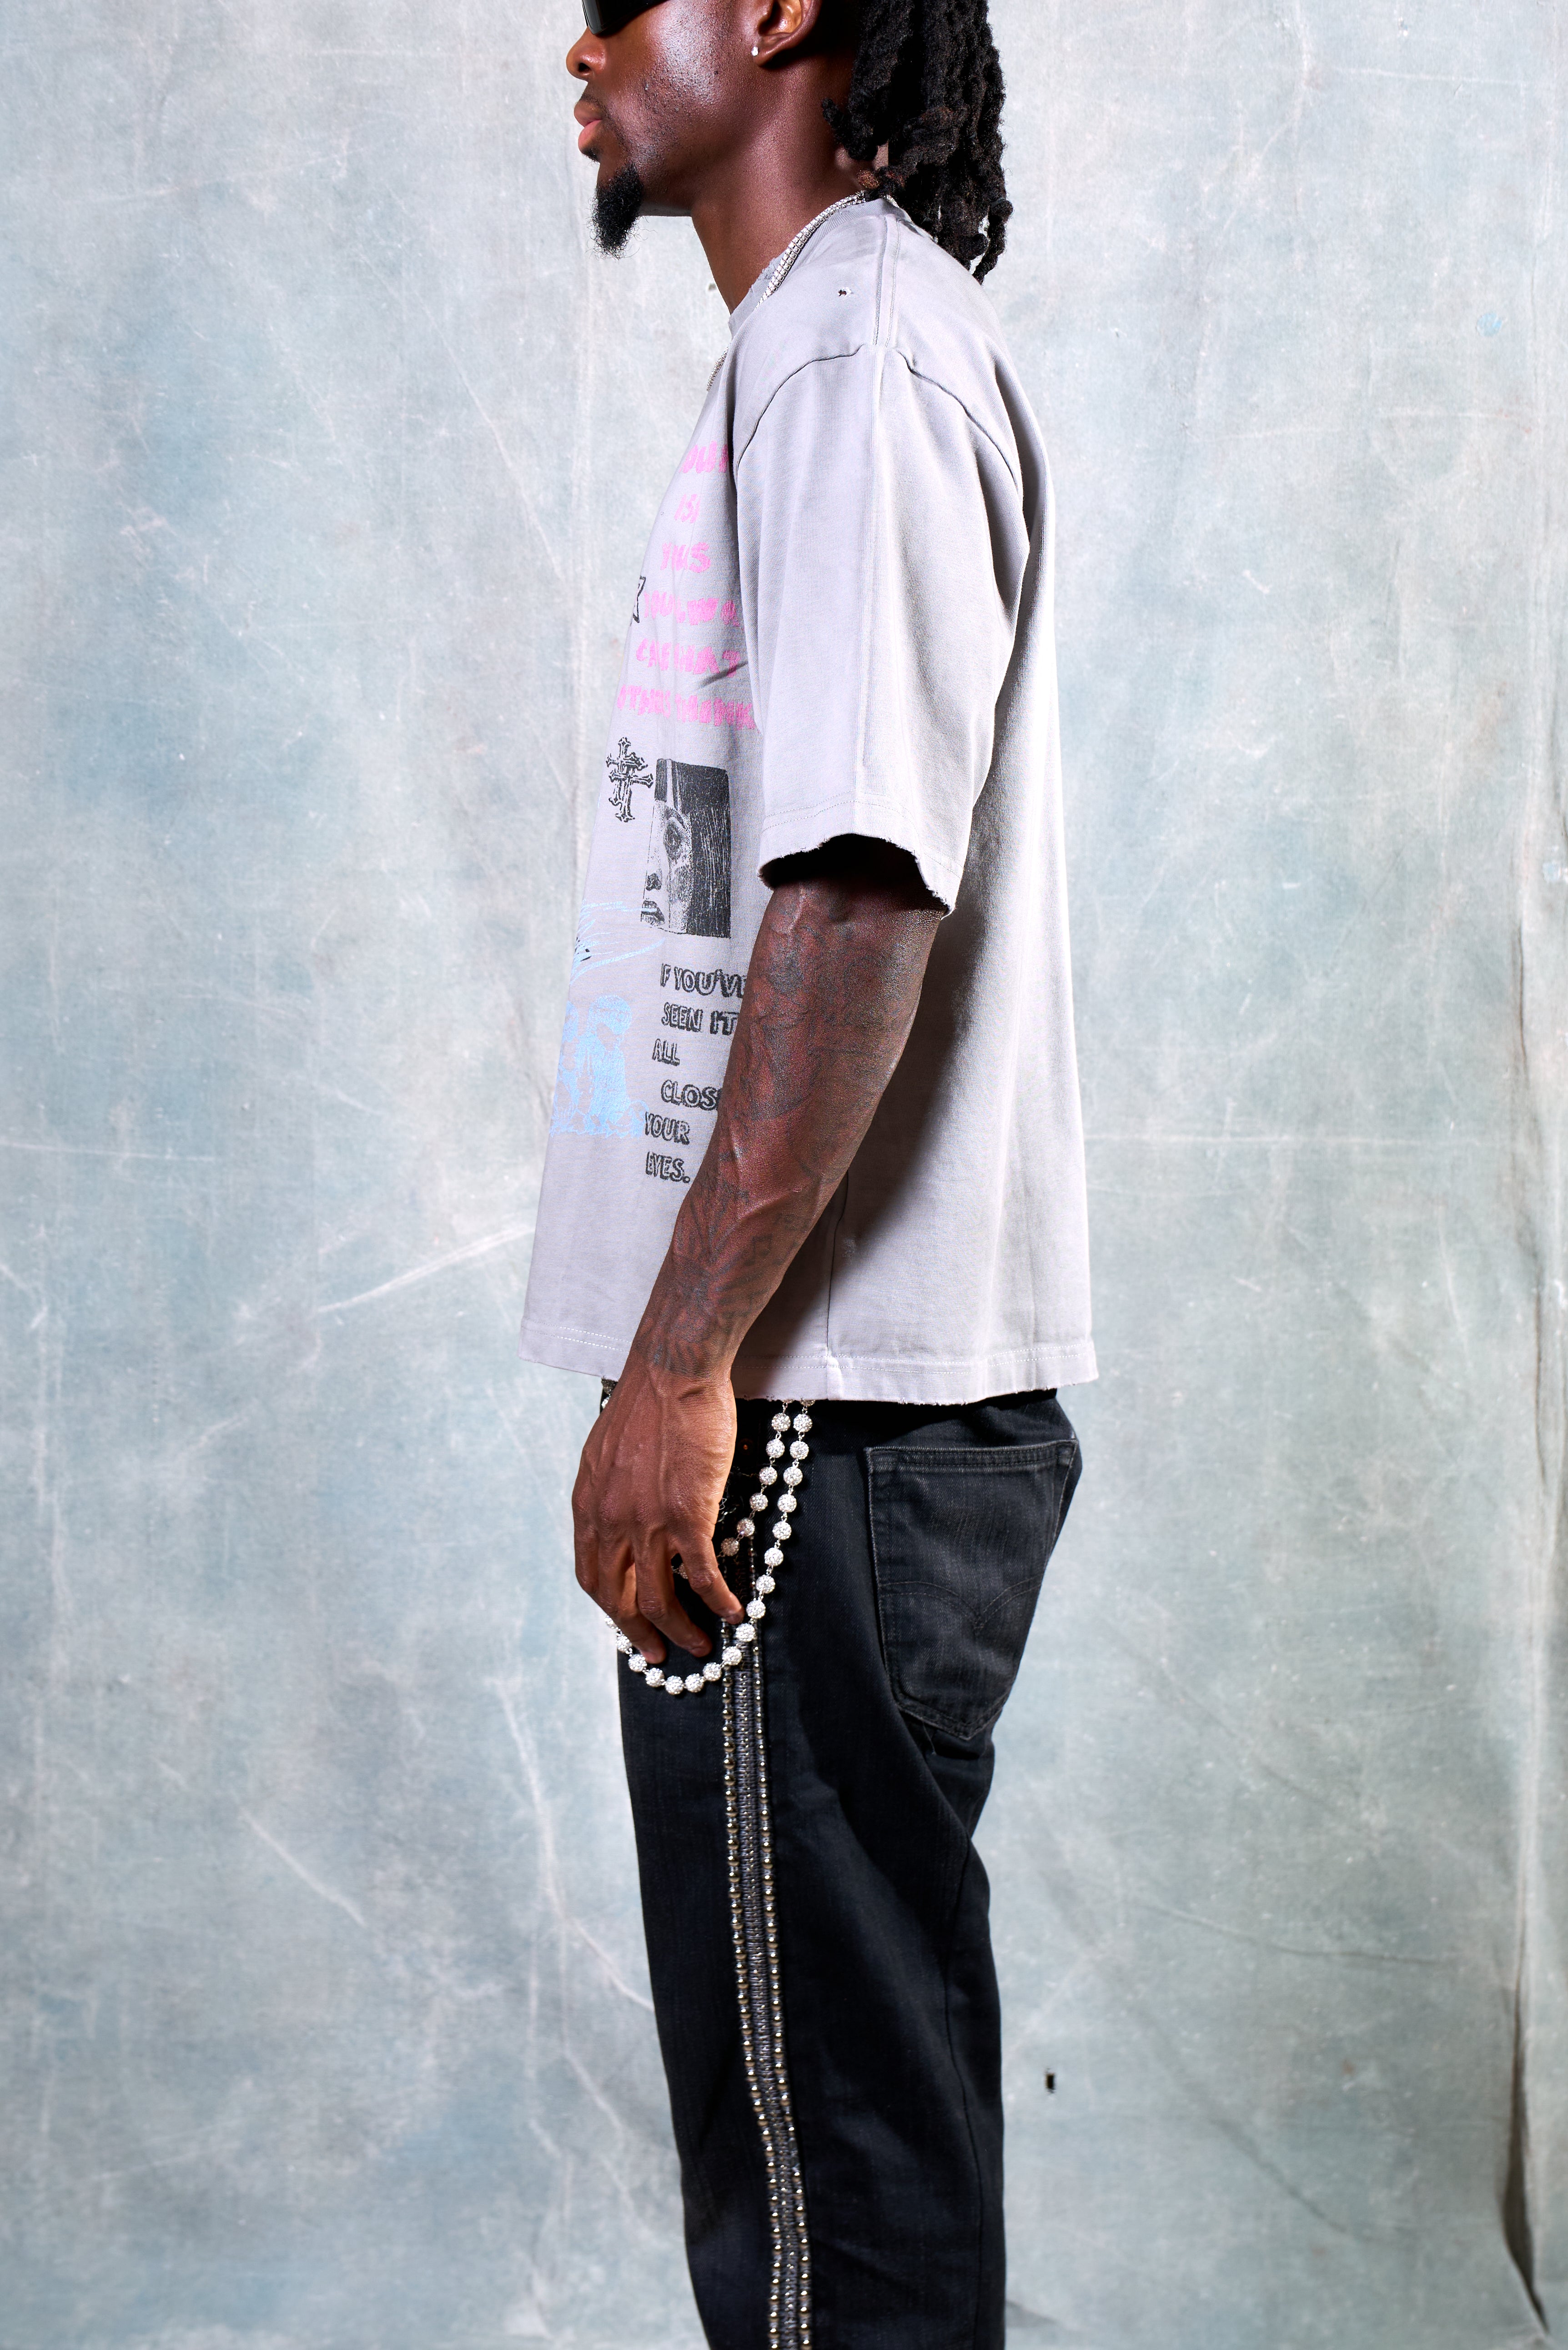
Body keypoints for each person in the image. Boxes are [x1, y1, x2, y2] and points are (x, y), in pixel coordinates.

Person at [519, 2, 1096, 2341]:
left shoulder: (853, 348)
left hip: (815, 1422)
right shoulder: (826, 349)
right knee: (827, 2153)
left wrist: (681, 1367)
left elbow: (855, 889)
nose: (572, 46)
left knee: (824, 2195)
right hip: (811, 1419)